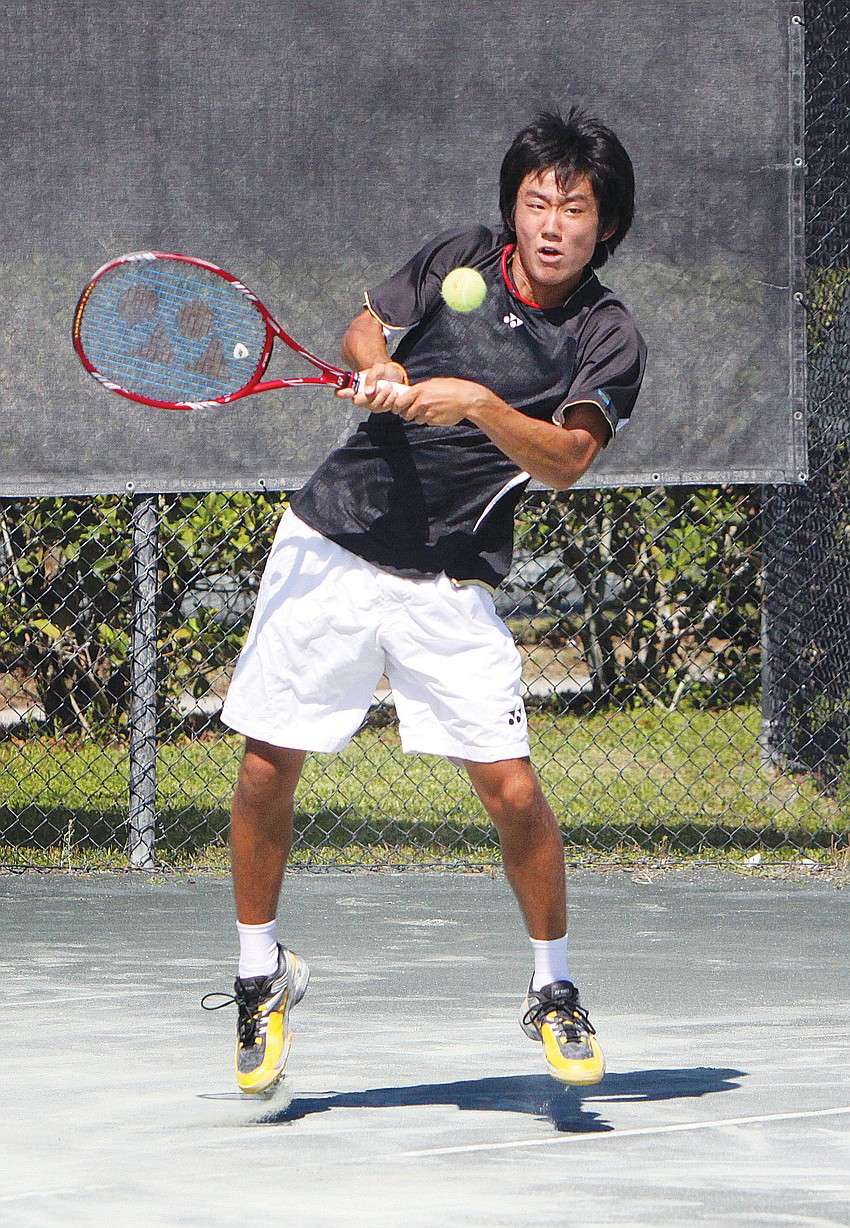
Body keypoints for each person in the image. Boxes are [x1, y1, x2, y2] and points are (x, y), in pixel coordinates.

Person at [209, 107, 646, 1095]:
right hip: (332, 541)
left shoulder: (606, 335)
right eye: (536, 201)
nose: (550, 222)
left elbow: (570, 459)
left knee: (515, 794)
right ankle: (256, 974)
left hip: (446, 581)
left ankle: (553, 988)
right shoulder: (462, 256)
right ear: (513, 208)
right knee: (265, 767)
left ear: (603, 227)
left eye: (572, 208)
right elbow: (367, 318)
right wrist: (385, 362)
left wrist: (480, 406)